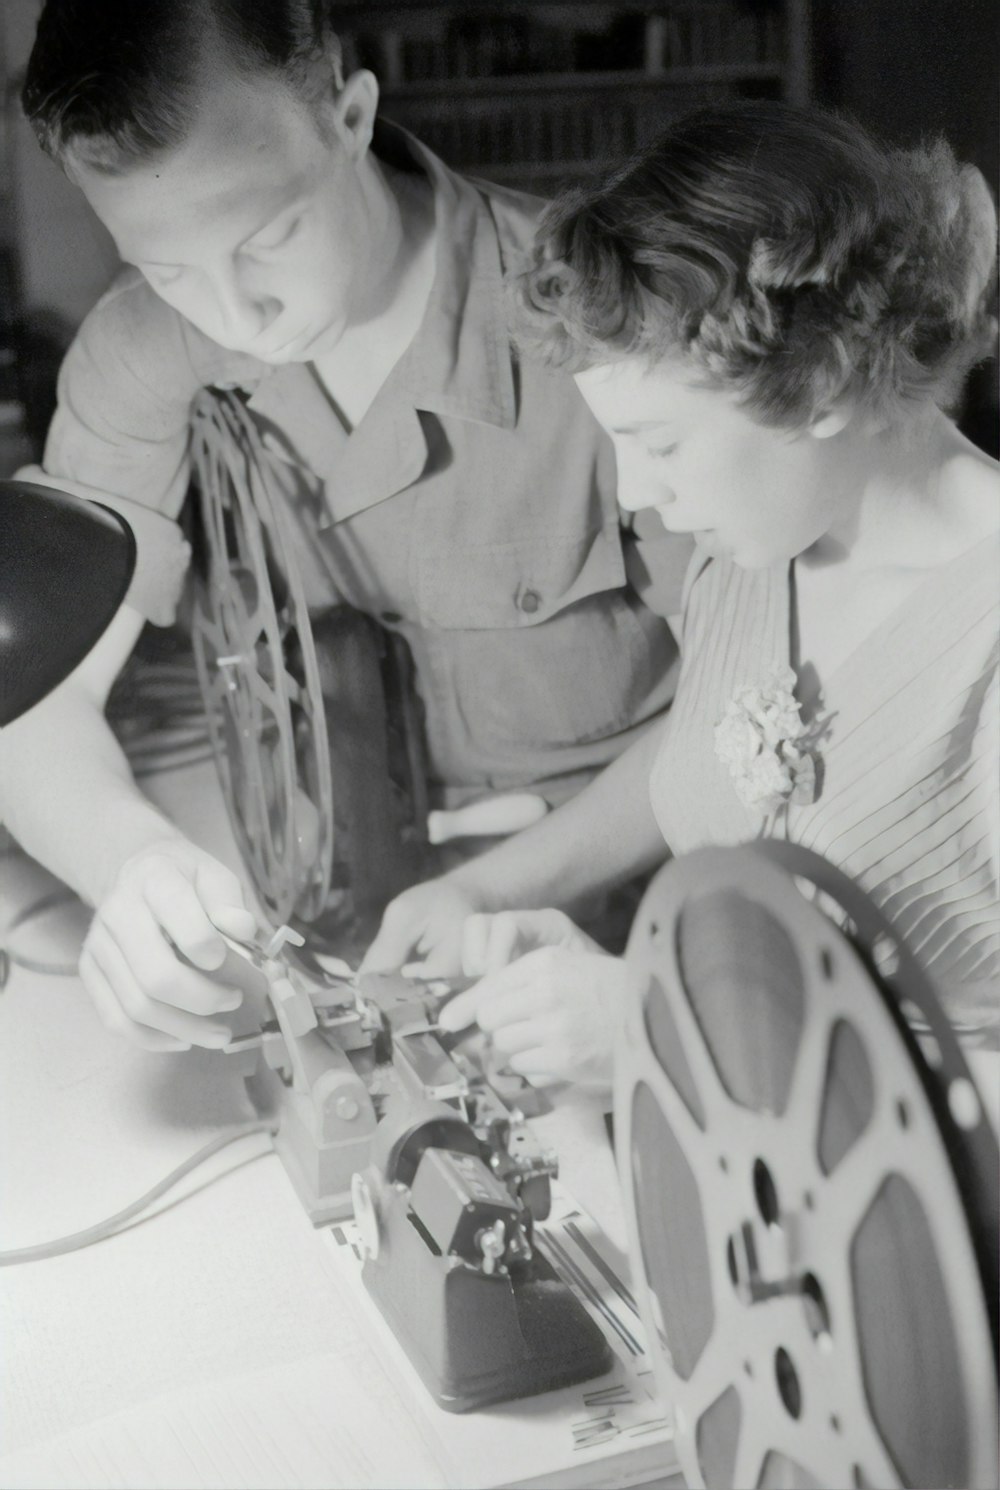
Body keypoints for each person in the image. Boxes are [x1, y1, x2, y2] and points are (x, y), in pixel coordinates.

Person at [0, 1, 688, 1051]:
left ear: (351, 114)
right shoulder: (145, 351)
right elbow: (36, 697)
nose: (236, 317)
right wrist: (126, 861)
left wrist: (510, 885)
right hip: (339, 933)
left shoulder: (597, 320)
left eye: (269, 235)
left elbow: (753, 710)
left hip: (631, 942)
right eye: (168, 269)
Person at [364, 101, 1000, 1090]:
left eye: (659, 443)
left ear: (822, 383)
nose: (635, 493)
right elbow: (716, 747)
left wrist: (665, 1025)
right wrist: (491, 886)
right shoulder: (753, 549)